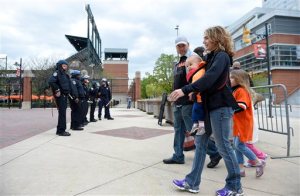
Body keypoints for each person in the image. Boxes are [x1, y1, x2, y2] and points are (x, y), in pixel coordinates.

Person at [170, 26, 243, 195]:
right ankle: (192, 182)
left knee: (223, 145)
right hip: (208, 108)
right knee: (200, 143)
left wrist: (185, 90)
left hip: (220, 107)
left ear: (216, 38)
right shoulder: (211, 57)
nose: (204, 41)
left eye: (206, 38)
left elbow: (209, 79)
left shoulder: (222, 57)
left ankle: (235, 186)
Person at [162, 36, 194, 165]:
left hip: (188, 101)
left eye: (183, 45)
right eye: (178, 46)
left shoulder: (192, 59)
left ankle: (214, 152)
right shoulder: (177, 63)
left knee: (194, 130)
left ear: (188, 45)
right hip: (177, 102)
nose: (181, 48)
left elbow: (195, 80)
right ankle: (178, 155)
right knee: (178, 130)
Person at [230, 69, 266, 177]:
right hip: (238, 123)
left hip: (243, 123)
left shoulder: (241, 90)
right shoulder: (235, 90)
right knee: (237, 146)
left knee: (239, 146)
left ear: (239, 79)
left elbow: (242, 106)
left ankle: (259, 162)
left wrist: (229, 108)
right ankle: (240, 169)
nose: (229, 79)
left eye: (232, 77)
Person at [48, 60, 71, 136]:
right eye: (64, 65)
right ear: (60, 66)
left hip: (65, 96)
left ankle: (60, 130)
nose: (65, 66)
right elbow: (51, 81)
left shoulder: (65, 74)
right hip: (60, 96)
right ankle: (61, 131)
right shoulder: (57, 73)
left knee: (63, 113)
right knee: (62, 113)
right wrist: (57, 90)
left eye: (66, 65)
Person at [185, 55, 206, 136]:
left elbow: (197, 85)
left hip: (201, 99)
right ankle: (195, 124)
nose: (188, 67)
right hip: (197, 99)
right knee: (195, 112)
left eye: (190, 64)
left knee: (200, 113)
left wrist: (191, 91)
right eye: (187, 66)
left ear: (199, 63)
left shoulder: (200, 72)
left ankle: (201, 127)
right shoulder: (195, 74)